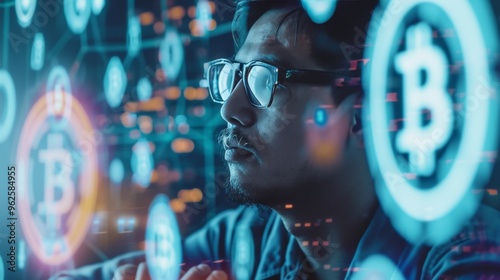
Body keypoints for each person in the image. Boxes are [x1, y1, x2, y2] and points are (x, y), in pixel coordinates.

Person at [53, 0, 500, 279]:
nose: (231, 108)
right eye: (233, 77)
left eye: (266, 80)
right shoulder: (243, 239)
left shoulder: (468, 250)